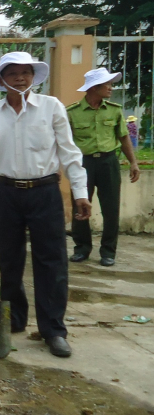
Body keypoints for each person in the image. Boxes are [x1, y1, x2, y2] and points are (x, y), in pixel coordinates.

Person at [0, 51, 91, 359]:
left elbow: (69, 150)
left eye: (26, 72)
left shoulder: (51, 107)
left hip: (45, 191)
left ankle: (53, 330)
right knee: (9, 260)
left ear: (33, 77)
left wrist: (80, 192)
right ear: (2, 80)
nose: (21, 78)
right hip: (7, 192)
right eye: (13, 73)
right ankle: (15, 319)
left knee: (51, 262)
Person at [67, 68, 140, 267]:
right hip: (83, 164)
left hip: (109, 163)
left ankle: (108, 251)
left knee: (111, 209)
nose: (111, 88)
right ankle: (81, 248)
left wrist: (133, 162)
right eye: (107, 84)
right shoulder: (72, 113)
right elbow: (64, 142)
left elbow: (123, 137)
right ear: (93, 87)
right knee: (80, 206)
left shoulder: (115, 110)